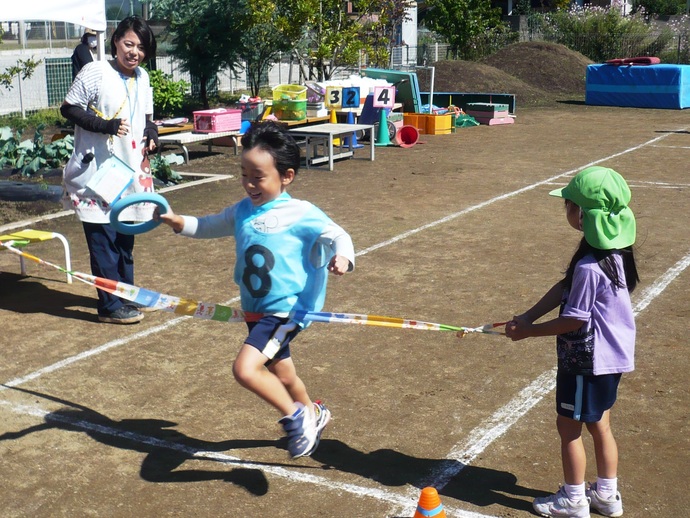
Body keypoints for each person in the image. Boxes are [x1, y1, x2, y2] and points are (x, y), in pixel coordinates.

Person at [155, 121, 355, 458]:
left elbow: (338, 235)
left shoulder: (301, 212)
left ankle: (296, 417)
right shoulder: (243, 210)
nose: (249, 183)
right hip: (256, 310)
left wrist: (343, 257)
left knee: (245, 369)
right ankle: (313, 412)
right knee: (284, 374)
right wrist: (178, 222)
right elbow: (208, 225)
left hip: (284, 310)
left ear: (286, 176)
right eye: (244, 173)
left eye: (258, 176)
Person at [503, 166, 638, 518]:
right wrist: (529, 315)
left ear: (582, 216)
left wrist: (530, 331)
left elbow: (574, 319)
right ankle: (607, 495)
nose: (565, 210)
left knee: (569, 429)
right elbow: (564, 288)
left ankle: (574, 500)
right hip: (611, 360)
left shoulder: (589, 267)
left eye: (568, 204)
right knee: (600, 425)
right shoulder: (616, 252)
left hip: (585, 364)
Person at [61, 16, 159, 324]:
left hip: (129, 172)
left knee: (124, 238)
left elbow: (147, 117)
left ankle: (125, 295)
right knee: (103, 239)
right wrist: (104, 126)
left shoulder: (142, 77)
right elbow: (69, 107)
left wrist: (152, 134)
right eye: (129, 44)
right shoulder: (96, 71)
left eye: (141, 47)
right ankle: (109, 306)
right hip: (96, 173)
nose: (134, 52)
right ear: (115, 40)